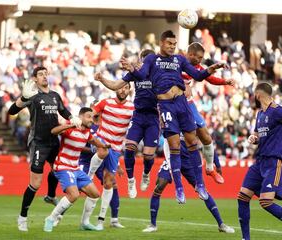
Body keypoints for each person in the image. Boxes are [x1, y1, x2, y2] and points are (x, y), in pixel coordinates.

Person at [120, 30, 225, 204]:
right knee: (175, 146)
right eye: (169, 43)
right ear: (161, 43)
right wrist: (131, 68)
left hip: (182, 104)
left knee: (192, 143)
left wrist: (211, 68)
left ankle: (200, 185)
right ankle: (179, 189)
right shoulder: (152, 59)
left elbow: (197, 75)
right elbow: (141, 75)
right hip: (166, 106)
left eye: (174, 44)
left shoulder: (180, 60)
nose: (172, 47)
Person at [8, 66, 82, 232]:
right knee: (35, 183)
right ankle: (22, 217)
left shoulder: (55, 95)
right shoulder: (32, 96)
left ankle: (50, 195)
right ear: (34, 78)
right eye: (40, 74)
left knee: (57, 169)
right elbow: (11, 111)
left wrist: (72, 117)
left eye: (46, 74)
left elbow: (63, 111)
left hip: (54, 142)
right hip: (38, 143)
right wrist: (22, 98)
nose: (44, 76)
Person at [237, 82, 282, 240]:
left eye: (254, 94)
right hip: (260, 162)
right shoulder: (260, 114)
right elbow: (259, 135)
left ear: (258, 94)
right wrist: (254, 137)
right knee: (242, 197)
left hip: (275, 161)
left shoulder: (279, 111)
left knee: (265, 202)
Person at [95, 49, 159, 199]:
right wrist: (103, 79)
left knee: (148, 156)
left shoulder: (159, 74)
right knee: (129, 148)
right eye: (142, 61)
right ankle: (131, 180)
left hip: (153, 118)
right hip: (138, 115)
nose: (144, 64)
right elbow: (116, 85)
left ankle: (146, 174)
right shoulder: (135, 73)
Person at [142, 137, 234, 233]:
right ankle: (153, 225)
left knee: (203, 191)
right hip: (172, 158)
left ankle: (221, 224)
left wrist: (217, 163)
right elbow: (166, 141)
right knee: (159, 186)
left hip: (188, 161)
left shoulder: (192, 123)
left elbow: (207, 142)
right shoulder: (170, 122)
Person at [43, 107, 109, 232]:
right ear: (81, 117)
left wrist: (104, 146)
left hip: (75, 168)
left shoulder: (87, 132)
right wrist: (69, 125)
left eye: (92, 117)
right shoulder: (70, 127)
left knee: (95, 194)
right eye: (89, 117)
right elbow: (53, 131)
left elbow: (94, 141)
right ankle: (51, 219)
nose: (91, 120)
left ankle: (85, 223)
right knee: (74, 195)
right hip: (62, 166)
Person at [183, 42, 235, 184]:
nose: (200, 61)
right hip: (171, 104)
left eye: (201, 58)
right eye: (198, 58)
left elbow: (209, 78)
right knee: (185, 140)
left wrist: (225, 81)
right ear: (190, 55)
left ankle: (210, 168)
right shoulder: (177, 62)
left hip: (188, 103)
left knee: (205, 136)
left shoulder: (197, 67)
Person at [86, 83, 134, 230]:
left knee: (109, 184)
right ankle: (89, 175)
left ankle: (101, 220)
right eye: (120, 87)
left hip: (116, 148)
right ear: (115, 88)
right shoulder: (105, 102)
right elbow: (91, 113)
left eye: (126, 87)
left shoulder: (133, 108)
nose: (122, 90)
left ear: (129, 90)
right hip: (101, 140)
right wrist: (88, 119)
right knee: (103, 150)